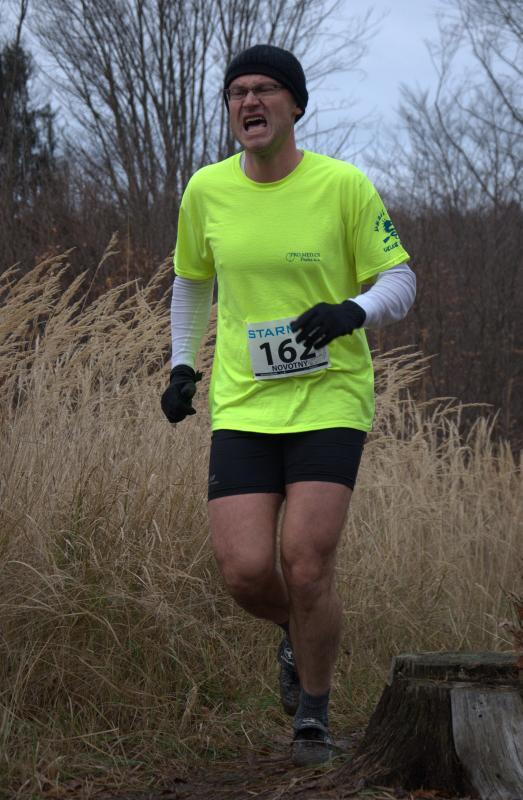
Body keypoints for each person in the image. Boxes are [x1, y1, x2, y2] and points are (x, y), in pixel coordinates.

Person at [161, 44, 416, 767]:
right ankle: (296, 633)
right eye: (237, 91)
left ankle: (313, 713)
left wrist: (351, 311)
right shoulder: (206, 190)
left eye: (265, 89)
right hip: (244, 403)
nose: (249, 101)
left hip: (329, 398)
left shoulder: (343, 186)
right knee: (245, 571)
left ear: (295, 105)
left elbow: (400, 279)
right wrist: (182, 365)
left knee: (305, 563)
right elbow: (191, 281)